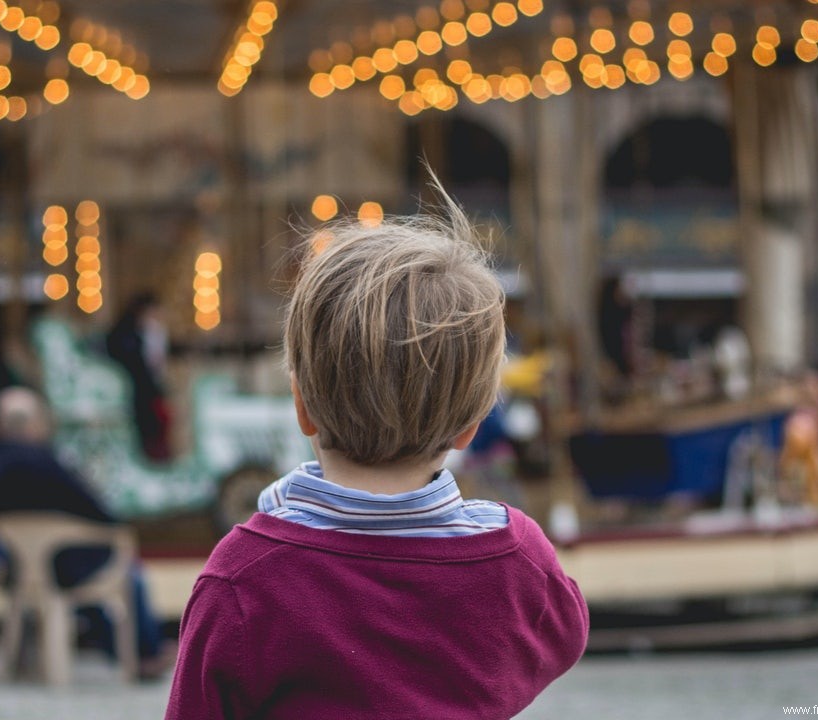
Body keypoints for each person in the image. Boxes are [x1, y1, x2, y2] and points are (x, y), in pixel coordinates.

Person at [165, 184, 589, 718]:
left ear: (303, 407)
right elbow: (565, 635)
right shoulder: (515, 556)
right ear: (471, 426)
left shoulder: (244, 578)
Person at [0, 387, 173, 680]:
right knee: (130, 574)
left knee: (86, 586)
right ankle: (146, 653)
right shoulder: (46, 463)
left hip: (16, 569)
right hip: (65, 565)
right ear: (34, 423)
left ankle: (138, 656)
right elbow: (100, 514)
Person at [106, 292, 171, 460]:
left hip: (144, 392)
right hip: (136, 394)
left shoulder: (145, 334)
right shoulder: (127, 336)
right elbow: (143, 368)